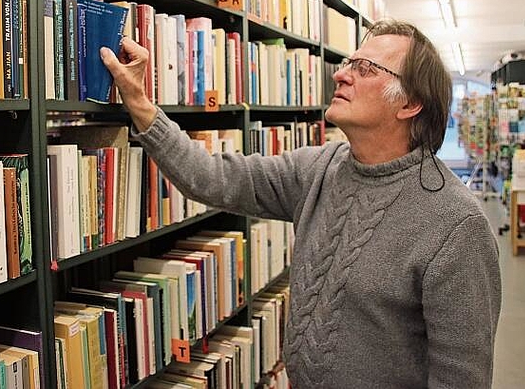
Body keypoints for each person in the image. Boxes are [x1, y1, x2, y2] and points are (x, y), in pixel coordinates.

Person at [100, 19, 502, 389]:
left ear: (410, 104)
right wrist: (138, 100)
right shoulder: (319, 168)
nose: (340, 73)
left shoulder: (456, 224)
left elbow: (461, 378)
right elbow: (210, 177)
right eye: (348, 62)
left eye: (365, 69)